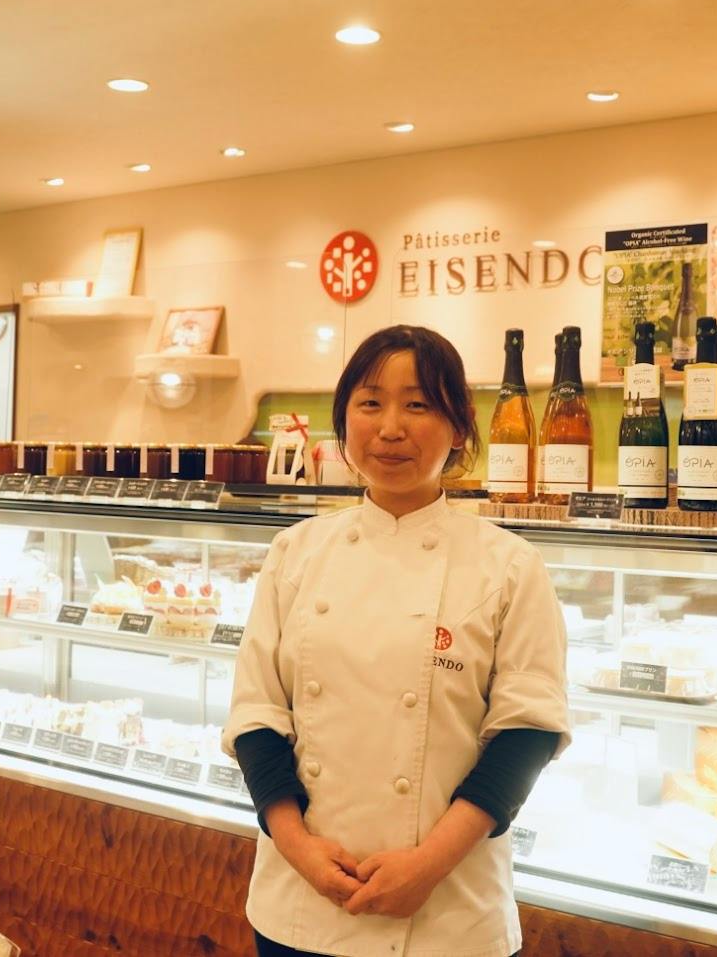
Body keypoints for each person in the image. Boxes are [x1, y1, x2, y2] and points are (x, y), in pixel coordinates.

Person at [224, 324, 570, 957]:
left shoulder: (509, 566)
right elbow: (257, 715)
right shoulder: (295, 552)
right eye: (370, 403)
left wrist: (427, 866)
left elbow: (527, 734)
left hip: (448, 914)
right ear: (344, 420)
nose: (390, 428)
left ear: (459, 427)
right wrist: (298, 848)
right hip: (299, 907)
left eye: (418, 405)